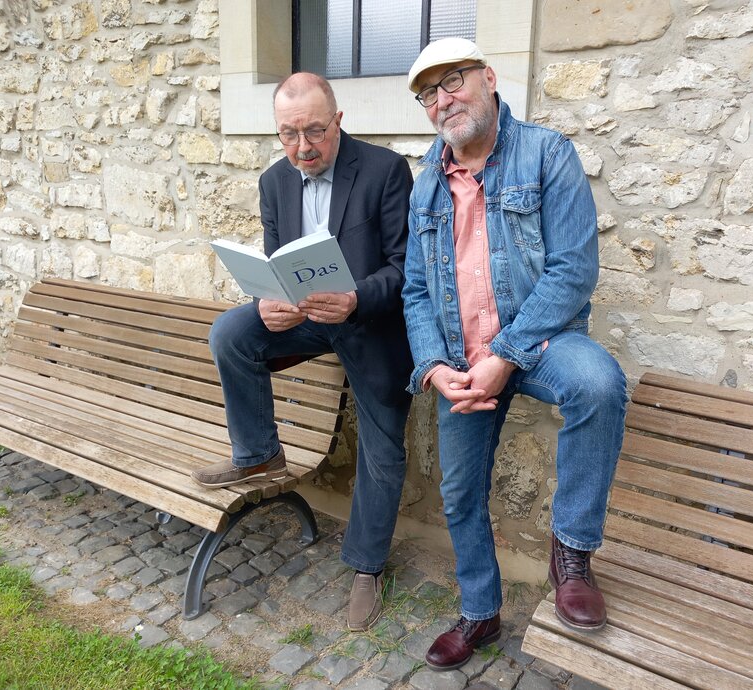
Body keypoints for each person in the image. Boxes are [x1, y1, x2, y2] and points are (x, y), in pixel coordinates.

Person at [401, 39, 627, 671]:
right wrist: (433, 366)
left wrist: (505, 352)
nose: (443, 101)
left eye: (453, 82)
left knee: (599, 383)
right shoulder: (426, 184)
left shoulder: (546, 153)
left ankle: (572, 555)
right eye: (428, 94)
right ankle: (481, 613)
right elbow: (416, 289)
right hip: (463, 358)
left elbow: (574, 271)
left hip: (542, 341)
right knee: (459, 492)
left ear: (489, 79)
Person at [192, 73, 414, 632]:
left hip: (369, 323)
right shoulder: (274, 181)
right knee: (231, 332)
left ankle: (366, 565)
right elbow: (272, 267)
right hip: (305, 321)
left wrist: (356, 299)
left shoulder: (386, 171)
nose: (303, 148)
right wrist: (268, 302)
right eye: (289, 135)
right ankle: (259, 453)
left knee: (383, 443)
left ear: (337, 121)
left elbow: (407, 270)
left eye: (314, 131)